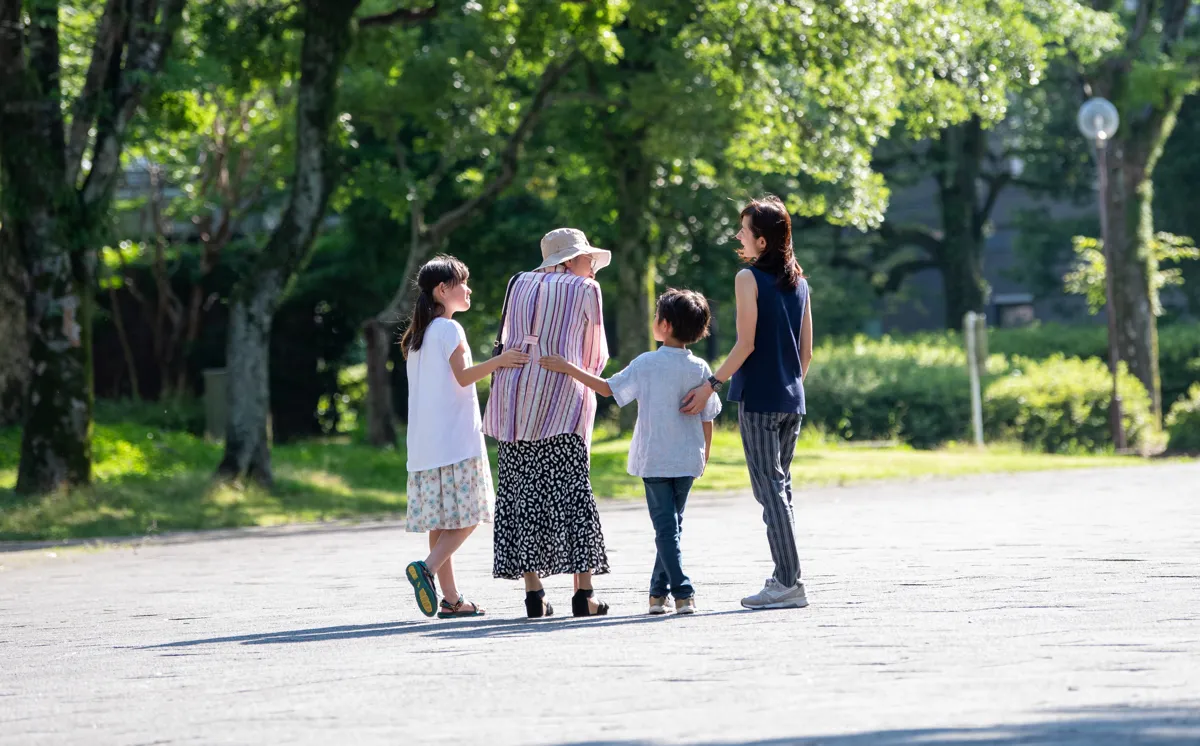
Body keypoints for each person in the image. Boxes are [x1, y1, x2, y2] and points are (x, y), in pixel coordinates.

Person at [541, 289, 722, 616]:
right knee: (671, 528)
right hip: (687, 459)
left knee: (667, 529)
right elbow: (708, 418)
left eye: (656, 316)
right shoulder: (700, 368)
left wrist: (568, 368)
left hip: (654, 459)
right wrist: (704, 456)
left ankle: (682, 592)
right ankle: (657, 595)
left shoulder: (647, 363)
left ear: (665, 325)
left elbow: (608, 388)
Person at [681, 196, 814, 610]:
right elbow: (806, 353)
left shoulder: (747, 278)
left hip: (758, 399)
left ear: (762, 240)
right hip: (792, 399)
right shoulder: (801, 283)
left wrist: (711, 384)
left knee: (770, 491)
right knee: (781, 489)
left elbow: (746, 344)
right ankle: (785, 577)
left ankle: (789, 582)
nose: (739, 235)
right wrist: (788, 385)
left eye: (744, 230)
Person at [482, 228, 612, 618]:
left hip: (513, 400)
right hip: (561, 397)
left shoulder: (516, 282)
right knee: (572, 493)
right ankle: (583, 594)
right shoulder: (586, 289)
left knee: (521, 494)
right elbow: (595, 353)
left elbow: (507, 337)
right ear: (571, 260)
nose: (593, 267)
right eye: (588, 259)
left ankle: (534, 594)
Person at [400, 255, 529, 619]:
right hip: (456, 440)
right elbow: (464, 376)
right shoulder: (450, 329)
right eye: (463, 283)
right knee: (473, 513)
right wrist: (502, 361)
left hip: (424, 447)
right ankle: (425, 569)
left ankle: (452, 600)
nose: (468, 289)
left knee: (441, 523)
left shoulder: (417, 337)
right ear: (443, 290)